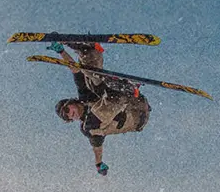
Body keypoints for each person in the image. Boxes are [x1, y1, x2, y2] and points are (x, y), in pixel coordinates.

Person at [53, 43, 150, 176]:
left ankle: (89, 51)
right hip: (136, 117)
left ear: (70, 102)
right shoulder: (88, 126)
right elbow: (96, 146)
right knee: (91, 124)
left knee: (89, 76)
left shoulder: (84, 96)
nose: (70, 115)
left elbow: (75, 70)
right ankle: (121, 91)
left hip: (135, 101)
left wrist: (61, 51)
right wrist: (98, 164)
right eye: (67, 118)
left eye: (66, 110)